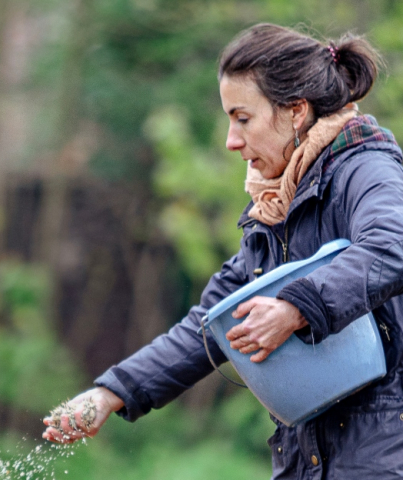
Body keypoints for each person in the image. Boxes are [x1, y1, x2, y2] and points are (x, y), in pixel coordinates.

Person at [43, 23, 403, 479]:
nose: (231, 140)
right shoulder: (273, 212)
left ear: (295, 111)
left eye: (243, 118)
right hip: (308, 456)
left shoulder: (366, 169)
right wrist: (110, 394)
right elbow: (210, 325)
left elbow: (394, 243)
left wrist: (296, 308)